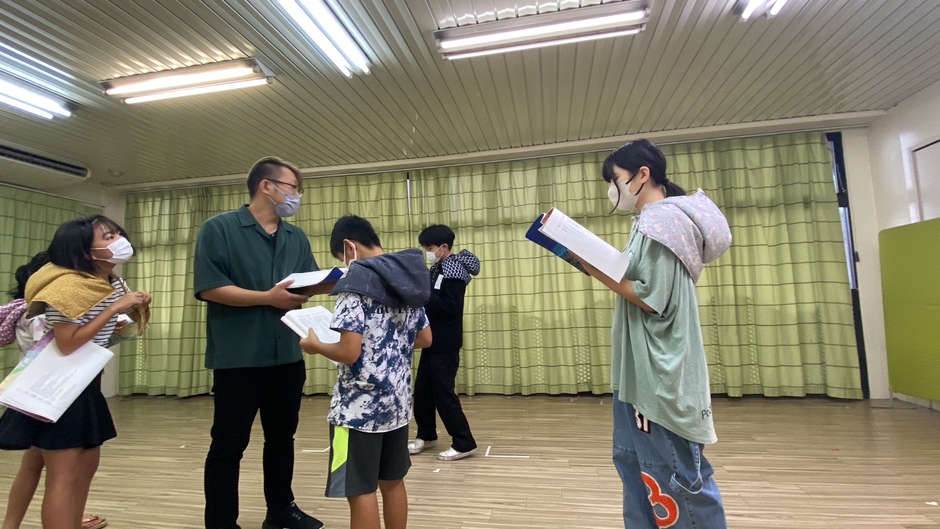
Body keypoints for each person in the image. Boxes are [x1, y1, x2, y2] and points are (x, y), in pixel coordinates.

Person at [572, 139, 731, 529]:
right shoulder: (647, 223)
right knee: (634, 465)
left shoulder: (663, 222)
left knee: (675, 477)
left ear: (642, 175)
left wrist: (595, 268)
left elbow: (650, 298)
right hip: (636, 373)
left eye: (615, 179)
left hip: (660, 373)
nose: (612, 189)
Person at [194, 157, 328, 529]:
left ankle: (281, 510)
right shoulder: (219, 229)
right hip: (238, 358)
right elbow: (209, 287)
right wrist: (267, 298)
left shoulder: (295, 237)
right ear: (266, 186)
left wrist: (331, 281)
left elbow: (307, 283)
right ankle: (221, 523)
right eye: (293, 187)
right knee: (228, 445)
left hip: (287, 355)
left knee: (282, 438)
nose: (297, 196)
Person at [0, 215, 151, 529]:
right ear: (84, 251)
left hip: (84, 384)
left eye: (117, 234)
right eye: (108, 237)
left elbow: (93, 335)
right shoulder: (68, 287)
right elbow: (67, 343)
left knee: (82, 471)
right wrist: (114, 308)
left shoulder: (107, 284)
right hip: (60, 388)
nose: (119, 241)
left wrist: (124, 312)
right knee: (64, 477)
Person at [299, 215, 432, 529]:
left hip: (357, 411)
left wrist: (315, 345)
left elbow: (349, 352)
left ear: (349, 247)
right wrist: (390, 344)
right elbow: (425, 338)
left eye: (341, 258)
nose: (343, 265)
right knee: (393, 481)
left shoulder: (354, 284)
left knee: (360, 489)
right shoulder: (407, 279)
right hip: (398, 405)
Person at [0, 251, 109, 529]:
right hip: (56, 394)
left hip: (40, 393)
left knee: (33, 465)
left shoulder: (26, 309)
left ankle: (13, 524)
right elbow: (63, 347)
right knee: (64, 475)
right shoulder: (46, 310)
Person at [408, 225, 479, 461]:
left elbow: (450, 307)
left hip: (446, 341)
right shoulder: (437, 268)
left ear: (443, 247)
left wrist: (424, 297)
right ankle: (426, 435)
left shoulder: (454, 271)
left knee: (443, 394)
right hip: (431, 340)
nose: (427, 252)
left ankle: (464, 442)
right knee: (423, 391)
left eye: (429, 247)